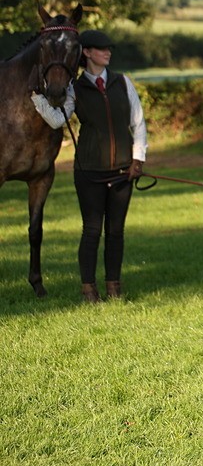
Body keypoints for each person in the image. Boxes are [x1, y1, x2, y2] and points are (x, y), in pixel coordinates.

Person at [29, 29, 147, 303]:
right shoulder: (75, 89)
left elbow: (138, 123)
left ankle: (114, 286)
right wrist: (37, 100)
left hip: (122, 171)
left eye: (109, 48)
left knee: (116, 231)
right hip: (89, 171)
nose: (108, 52)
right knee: (91, 230)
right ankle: (88, 287)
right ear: (87, 53)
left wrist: (138, 159)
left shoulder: (123, 83)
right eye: (101, 48)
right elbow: (59, 120)